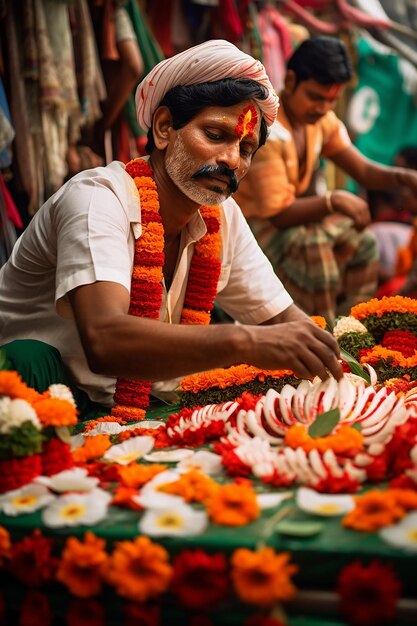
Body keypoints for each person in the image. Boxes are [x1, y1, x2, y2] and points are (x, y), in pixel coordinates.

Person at [0, 40, 342, 421]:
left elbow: (283, 321)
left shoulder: (222, 216)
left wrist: (346, 374)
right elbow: (106, 340)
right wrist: (243, 340)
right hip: (40, 388)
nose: (230, 159)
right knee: (26, 359)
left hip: (140, 401)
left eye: (245, 149)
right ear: (164, 128)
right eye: (215, 135)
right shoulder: (98, 199)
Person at [234, 36, 417, 321]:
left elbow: (364, 171)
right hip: (251, 229)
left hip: (288, 223)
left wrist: (403, 177)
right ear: (291, 81)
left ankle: (353, 329)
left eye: (331, 101)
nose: (322, 108)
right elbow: (280, 215)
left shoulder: (320, 121)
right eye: (316, 97)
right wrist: (334, 200)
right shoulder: (268, 129)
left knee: (363, 242)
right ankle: (321, 334)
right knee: (316, 250)